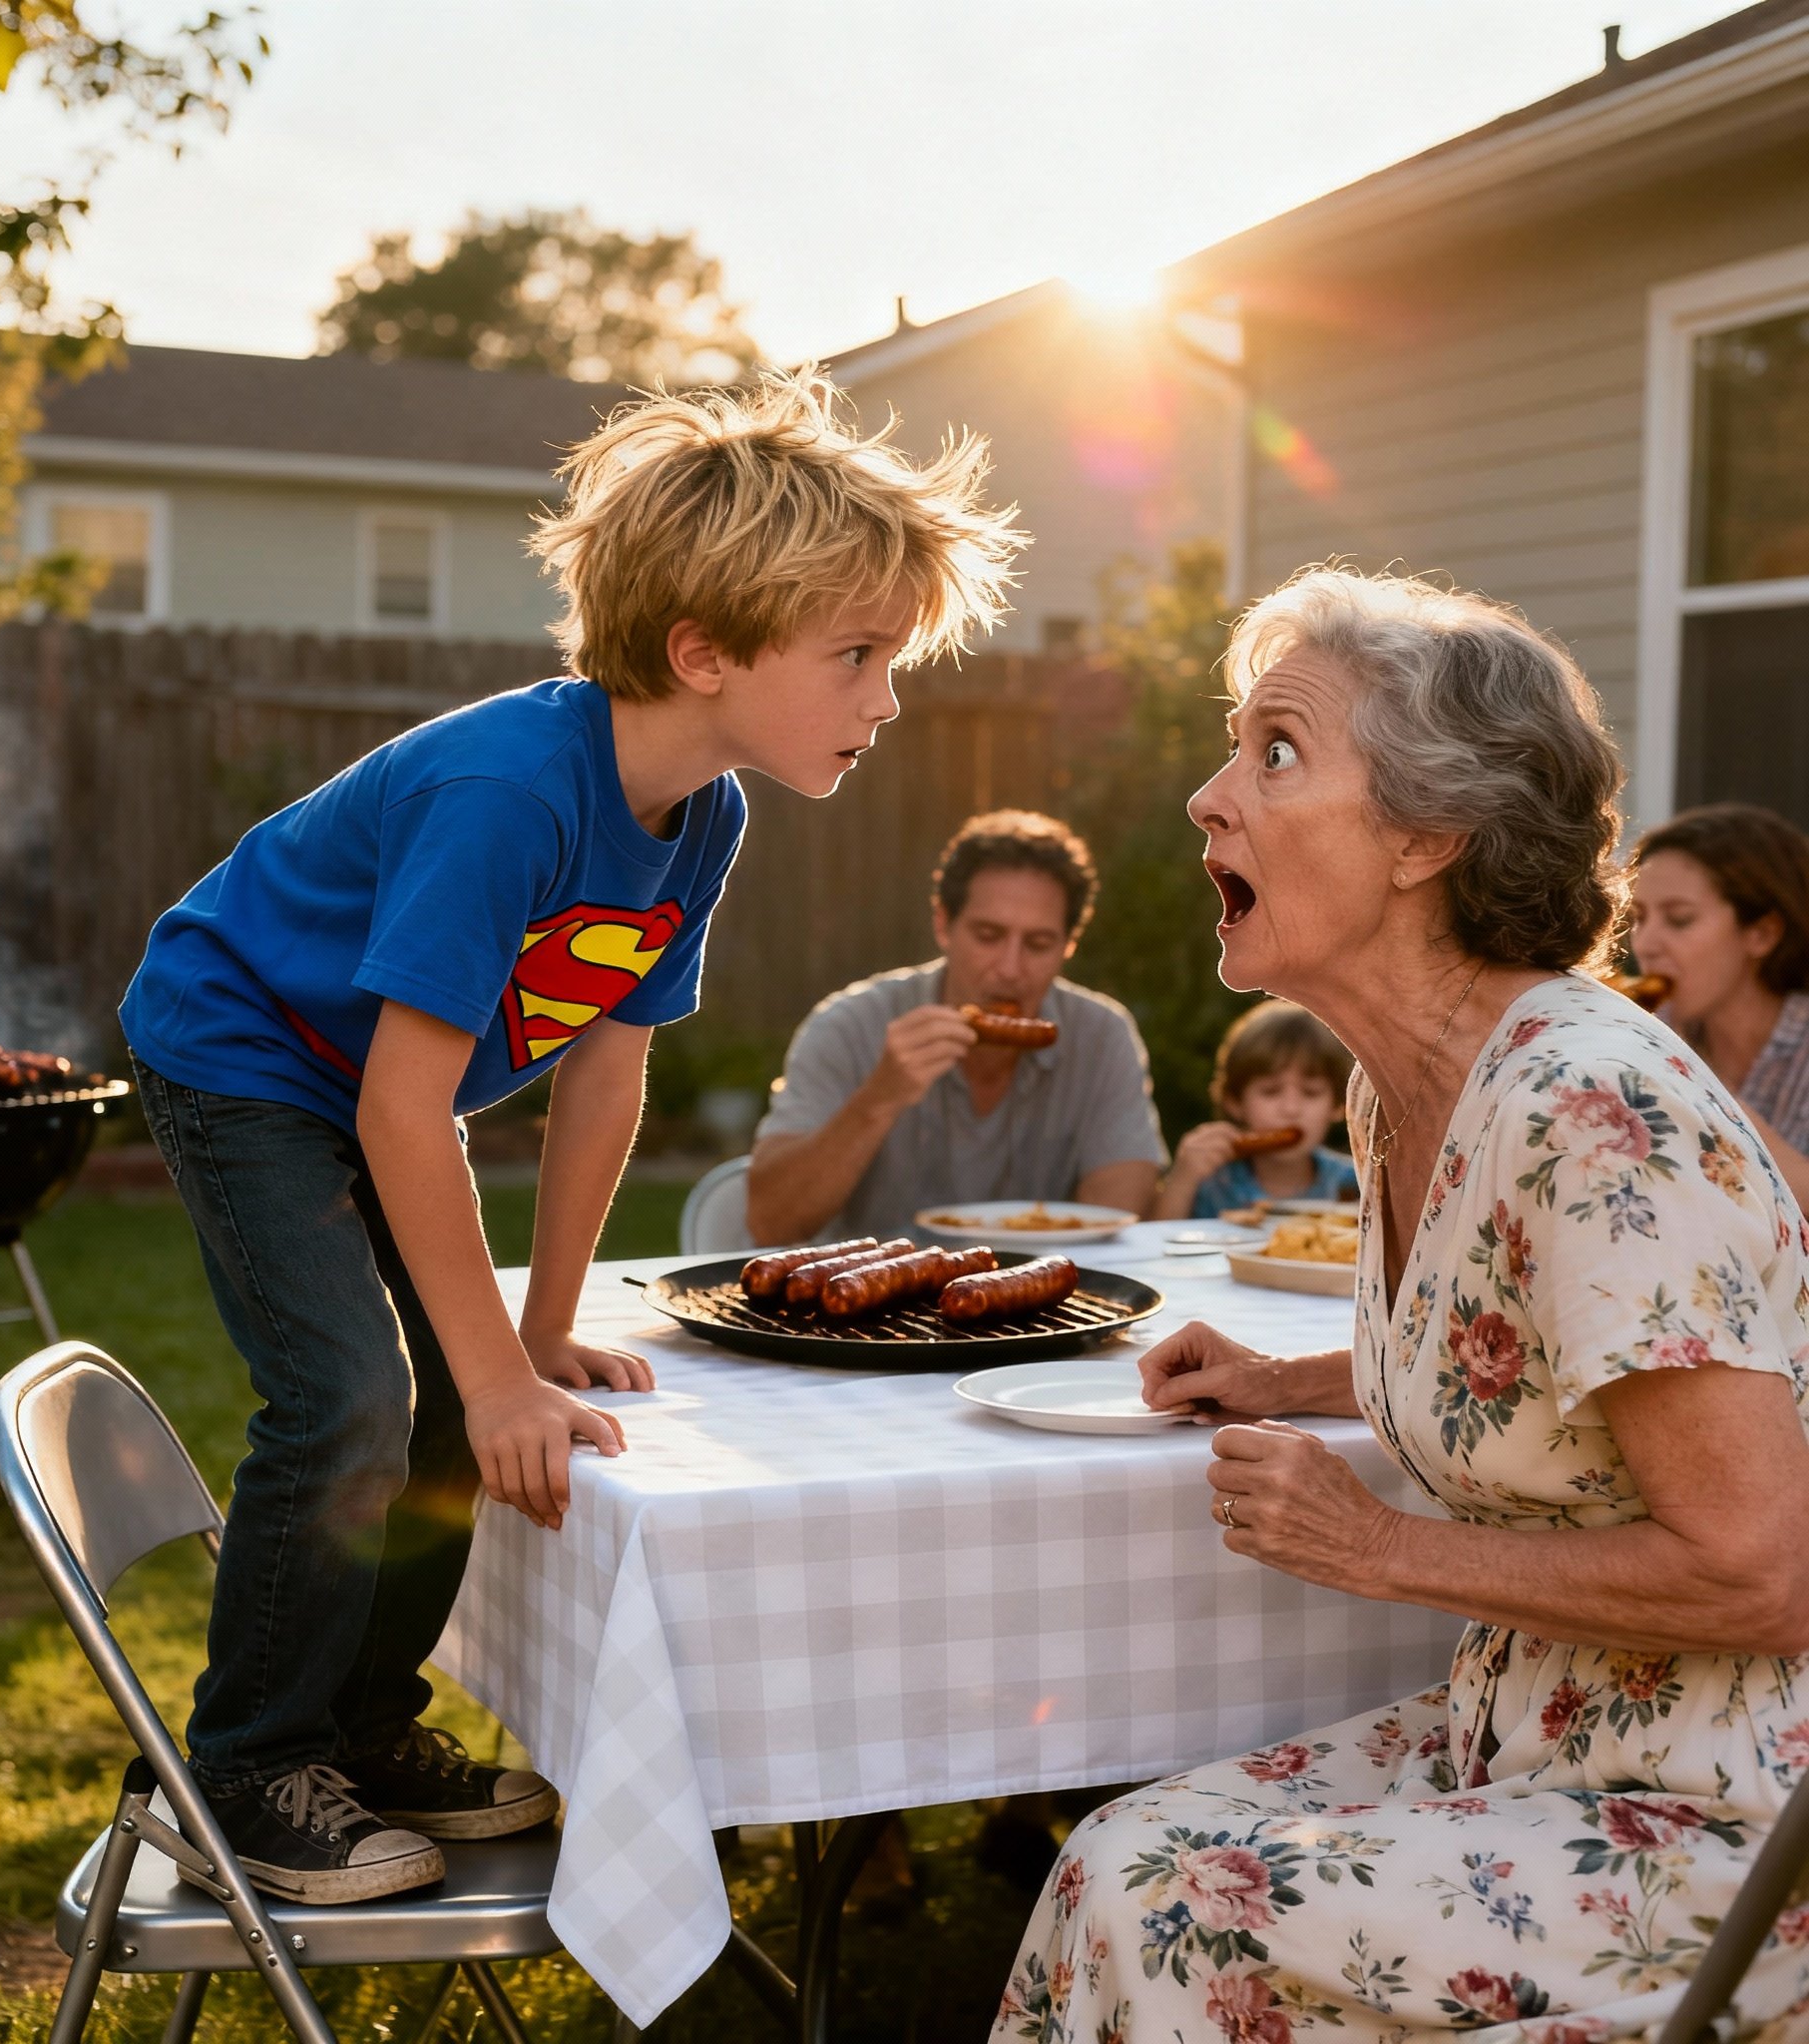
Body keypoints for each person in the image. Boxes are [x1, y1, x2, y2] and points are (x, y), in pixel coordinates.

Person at [121, 372, 1024, 1905]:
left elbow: (605, 1078)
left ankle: (363, 1727)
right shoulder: (509, 793)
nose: (886, 700)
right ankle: (245, 1769)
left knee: (454, 1395)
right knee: (352, 1401)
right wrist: (490, 1379)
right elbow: (404, 1107)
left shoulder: (705, 816)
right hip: (243, 1051)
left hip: (361, 1086)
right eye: (858, 656)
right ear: (703, 651)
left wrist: (534, 1337)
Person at [997, 568, 1809, 2041]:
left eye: (1276, 752)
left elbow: (1765, 1569)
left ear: (1427, 834)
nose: (1206, 798)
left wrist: (1377, 1546)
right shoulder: (1405, 1085)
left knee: (1164, 1899)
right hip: (1541, 1729)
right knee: (1115, 1850)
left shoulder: (1589, 1110)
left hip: (1730, 1811)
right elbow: (1526, 1352)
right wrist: (1288, 1378)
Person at [744, 809, 1165, 1244]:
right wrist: (879, 1097)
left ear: (1069, 945)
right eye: (988, 936)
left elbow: (1119, 1212)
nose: (1010, 968)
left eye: (1038, 944)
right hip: (873, 1281)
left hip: (1037, 1280)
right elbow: (770, 1222)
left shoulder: (1101, 1036)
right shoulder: (848, 1026)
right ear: (943, 924)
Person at [1631, 801, 1809, 1211]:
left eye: (1679, 919)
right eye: (1638, 917)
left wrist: (1692, 1082)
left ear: (1762, 934)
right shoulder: (1644, 1031)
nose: (1646, 944)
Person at [1153, 998, 1357, 1220]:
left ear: (1339, 1105)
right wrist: (1182, 1179)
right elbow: (1156, 1236)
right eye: (1271, 1092)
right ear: (1235, 1101)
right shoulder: (1210, 1181)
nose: (1290, 1109)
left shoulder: (1356, 1182)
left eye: (1311, 1093)